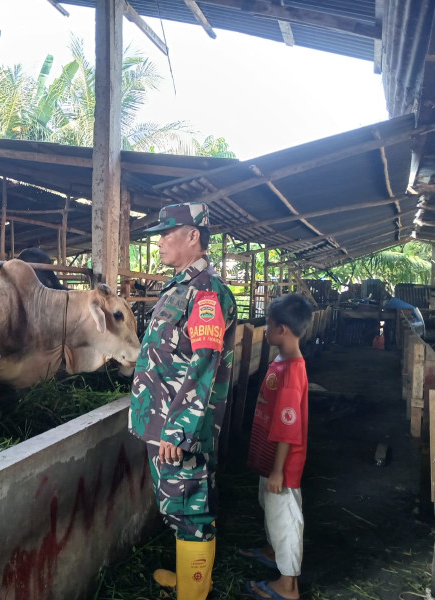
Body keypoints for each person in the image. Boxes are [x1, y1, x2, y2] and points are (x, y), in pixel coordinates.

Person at [129, 202, 237, 600]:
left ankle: (194, 594)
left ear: (193, 236)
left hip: (179, 430)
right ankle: (190, 580)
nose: (159, 241)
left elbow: (204, 364)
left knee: (191, 510)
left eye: (166, 233)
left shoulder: (206, 293)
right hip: (163, 424)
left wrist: (178, 430)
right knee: (178, 506)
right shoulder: (180, 288)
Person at [241, 293, 312, 600]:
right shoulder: (281, 361)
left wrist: (278, 471)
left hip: (282, 463)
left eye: (268, 325)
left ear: (282, 329)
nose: (265, 330)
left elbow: (288, 428)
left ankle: (288, 585)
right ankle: (273, 552)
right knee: (269, 508)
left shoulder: (292, 372)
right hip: (270, 458)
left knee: (285, 517)